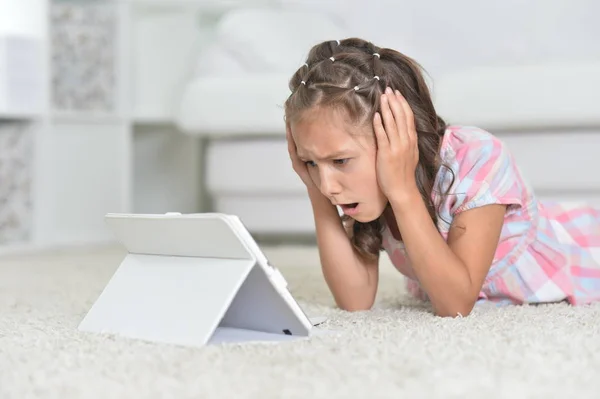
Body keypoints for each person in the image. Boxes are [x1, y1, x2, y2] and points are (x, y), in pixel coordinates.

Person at [283, 38, 600, 317]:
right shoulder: (360, 193)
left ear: (397, 138)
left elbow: (455, 305)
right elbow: (355, 300)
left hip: (585, 248)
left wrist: (403, 191)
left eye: (340, 160)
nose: (328, 185)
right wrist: (313, 192)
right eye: (311, 162)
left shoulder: (475, 156)